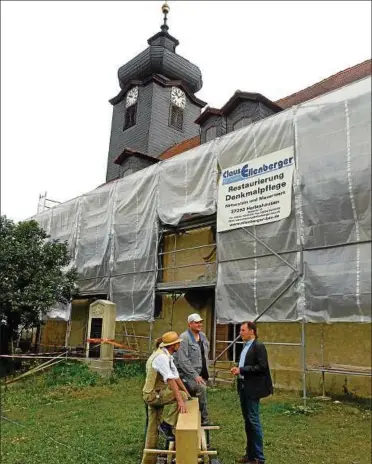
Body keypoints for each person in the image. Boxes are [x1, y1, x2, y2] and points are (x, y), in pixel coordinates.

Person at [142, 331, 191, 464]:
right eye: (178, 343)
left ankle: (148, 460)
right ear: (172, 345)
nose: (179, 345)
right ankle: (168, 423)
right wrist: (181, 398)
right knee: (180, 395)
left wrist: (188, 393)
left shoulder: (165, 355)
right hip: (153, 395)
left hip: (154, 393)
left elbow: (176, 376)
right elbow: (170, 379)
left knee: (152, 428)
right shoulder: (161, 358)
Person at [230, 321, 273, 464]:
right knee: (248, 421)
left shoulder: (258, 346)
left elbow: (262, 367)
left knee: (253, 421)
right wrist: (238, 368)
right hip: (243, 386)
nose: (240, 333)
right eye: (240, 330)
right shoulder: (245, 346)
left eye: (243, 330)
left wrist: (241, 370)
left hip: (253, 388)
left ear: (252, 332)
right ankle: (249, 455)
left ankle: (259, 458)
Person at [173, 313, 210, 425]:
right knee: (201, 388)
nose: (200, 324)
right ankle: (204, 419)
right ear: (190, 324)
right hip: (187, 374)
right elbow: (183, 361)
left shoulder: (202, 336)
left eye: (200, 322)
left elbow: (205, 354)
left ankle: (195, 418)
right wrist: (195, 376)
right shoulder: (184, 338)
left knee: (198, 395)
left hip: (201, 373)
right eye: (197, 322)